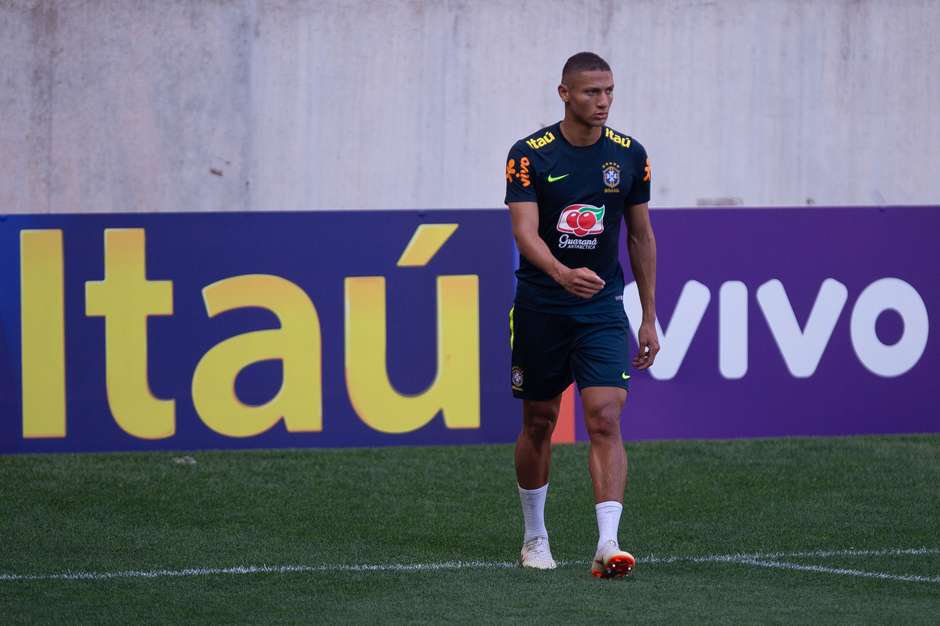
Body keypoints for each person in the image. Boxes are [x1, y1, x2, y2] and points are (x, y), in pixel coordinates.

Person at [504, 51, 660, 578]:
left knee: (605, 417)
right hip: (541, 307)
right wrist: (560, 273)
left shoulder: (629, 155)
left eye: (609, 90)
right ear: (564, 93)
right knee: (539, 422)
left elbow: (640, 236)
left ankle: (608, 542)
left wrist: (648, 315)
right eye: (592, 91)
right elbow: (524, 232)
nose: (603, 101)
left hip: (601, 307)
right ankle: (534, 537)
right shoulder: (529, 155)